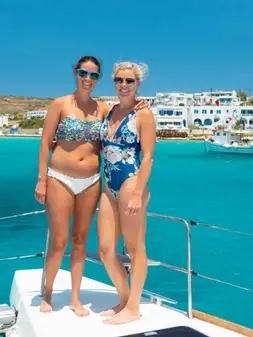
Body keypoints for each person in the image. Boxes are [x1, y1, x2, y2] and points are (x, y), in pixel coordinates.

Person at [34, 56, 148, 317]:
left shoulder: (104, 109)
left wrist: (142, 103)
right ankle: (48, 292)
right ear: (75, 73)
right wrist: (42, 179)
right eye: (83, 73)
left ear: (98, 79)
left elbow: (126, 112)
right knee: (59, 241)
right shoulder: (59, 104)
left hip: (92, 181)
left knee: (80, 240)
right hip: (60, 177)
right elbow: (44, 143)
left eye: (94, 75)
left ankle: (75, 298)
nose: (88, 78)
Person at [97, 61, 156, 325]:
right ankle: (124, 299)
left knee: (134, 249)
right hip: (108, 186)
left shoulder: (143, 114)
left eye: (129, 81)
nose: (123, 85)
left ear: (138, 84)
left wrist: (137, 194)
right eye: (119, 80)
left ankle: (134, 308)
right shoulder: (109, 112)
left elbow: (148, 158)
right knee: (105, 249)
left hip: (132, 184)